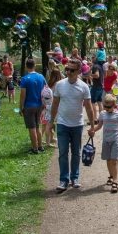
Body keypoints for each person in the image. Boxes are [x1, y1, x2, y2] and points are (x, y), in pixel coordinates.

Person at [50, 58, 94, 192]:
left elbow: (89, 107)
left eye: (72, 70)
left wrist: (92, 125)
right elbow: (55, 104)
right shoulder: (59, 85)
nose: (68, 72)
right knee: (63, 153)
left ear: (79, 71)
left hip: (77, 125)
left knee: (76, 153)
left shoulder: (84, 86)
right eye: (67, 69)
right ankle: (63, 180)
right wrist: (51, 121)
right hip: (62, 123)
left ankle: (74, 178)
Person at [88, 94, 118, 193]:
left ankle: (115, 182)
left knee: (114, 160)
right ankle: (111, 176)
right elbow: (99, 126)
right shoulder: (102, 114)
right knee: (108, 160)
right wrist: (92, 130)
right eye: (105, 106)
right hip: (106, 141)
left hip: (115, 140)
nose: (107, 108)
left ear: (114, 105)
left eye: (109, 107)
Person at [20, 58, 46, 154]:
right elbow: (45, 90)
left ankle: (34, 148)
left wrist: (20, 107)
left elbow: (23, 95)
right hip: (39, 105)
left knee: (32, 128)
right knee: (37, 126)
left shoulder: (25, 79)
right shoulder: (41, 77)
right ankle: (40, 146)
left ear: (26, 66)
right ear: (34, 65)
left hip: (29, 106)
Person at [42, 68, 62, 148]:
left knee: (47, 123)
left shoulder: (49, 83)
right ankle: (49, 142)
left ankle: (49, 139)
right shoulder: (58, 84)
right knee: (53, 124)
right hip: (55, 106)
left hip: (47, 105)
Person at [91, 56, 105, 123]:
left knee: (93, 102)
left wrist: (90, 74)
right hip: (101, 86)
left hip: (96, 86)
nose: (92, 59)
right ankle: (101, 118)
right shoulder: (100, 66)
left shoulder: (95, 66)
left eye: (93, 57)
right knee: (99, 102)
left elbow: (97, 75)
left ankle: (95, 119)